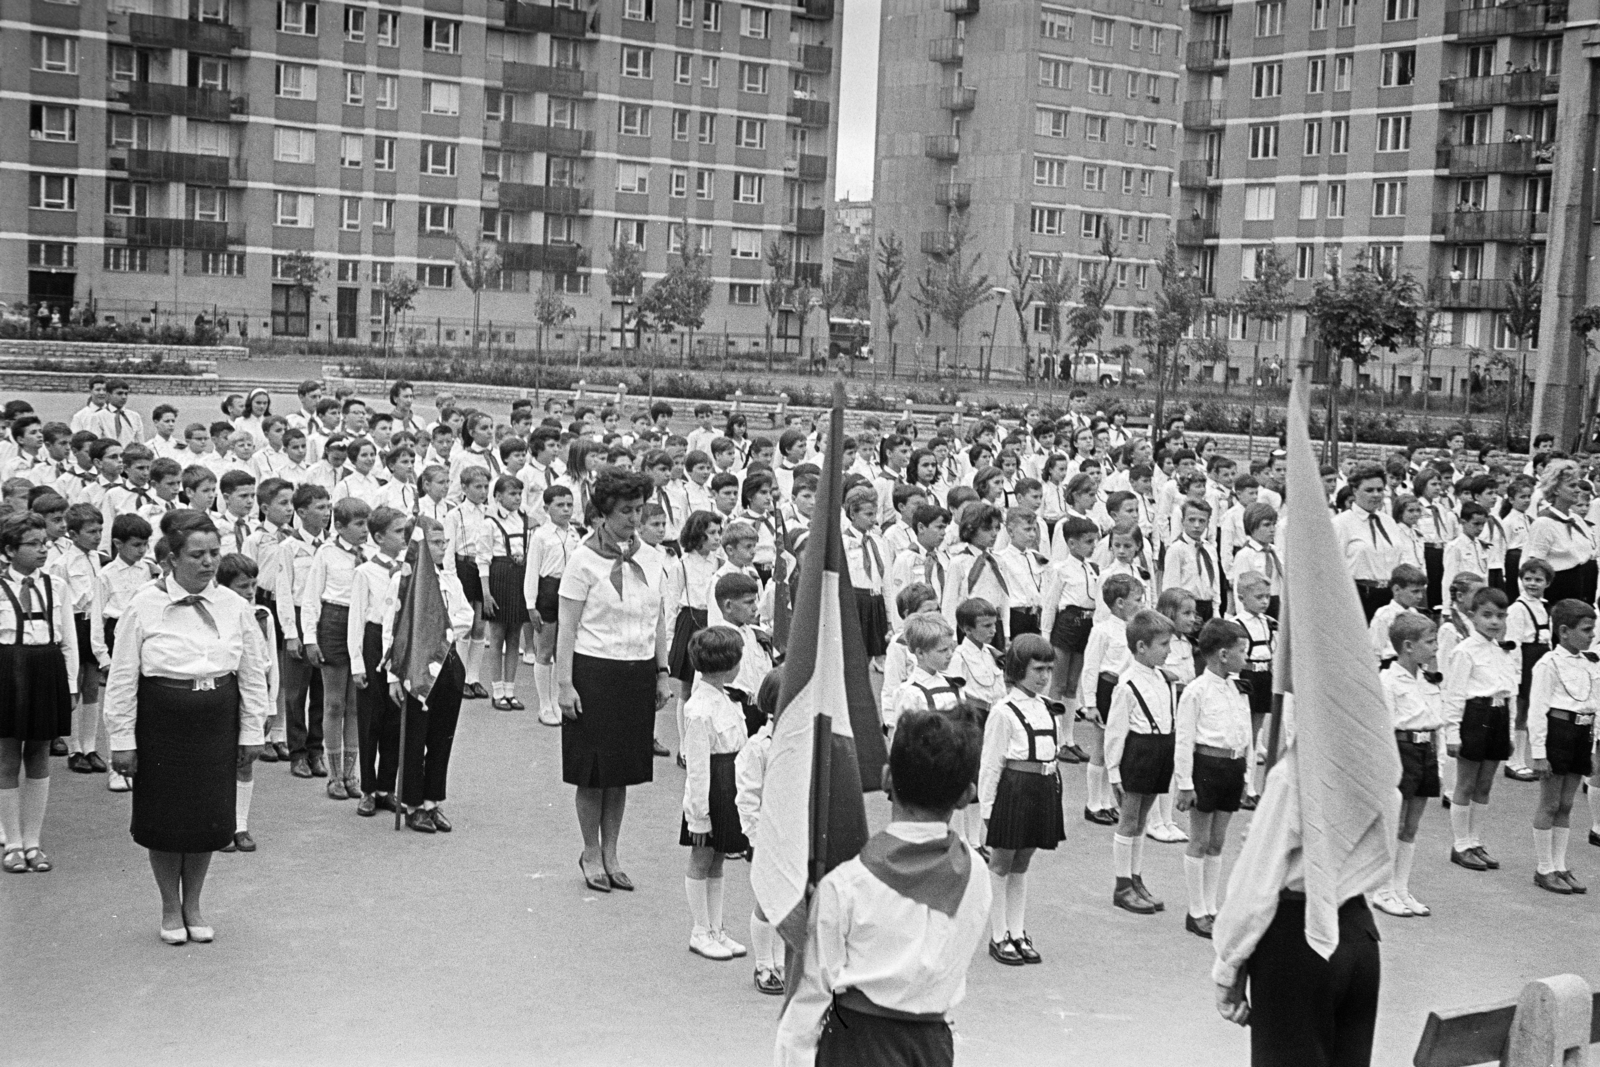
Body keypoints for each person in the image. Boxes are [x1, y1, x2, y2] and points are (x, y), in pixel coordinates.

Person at [775, 708, 990, 1067]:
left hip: (857, 1046)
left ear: (887, 779)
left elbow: (808, 1000)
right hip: (932, 1047)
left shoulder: (845, 886)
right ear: (966, 796)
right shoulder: (978, 875)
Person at [104, 509, 271, 943]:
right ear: (171, 558)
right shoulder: (143, 605)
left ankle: (194, 903)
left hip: (217, 718)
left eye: (215, 553)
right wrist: (122, 739)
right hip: (163, 721)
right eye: (197, 554)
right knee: (165, 817)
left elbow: (253, 673)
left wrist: (253, 731)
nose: (208, 562)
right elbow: (123, 676)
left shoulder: (235, 606)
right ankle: (169, 907)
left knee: (205, 818)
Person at [556, 468, 671, 894]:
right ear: (603, 514)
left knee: (620, 771)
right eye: (626, 511)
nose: (635, 519)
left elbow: (657, 619)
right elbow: (566, 628)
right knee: (593, 772)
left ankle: (613, 852)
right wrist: (564, 686)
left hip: (637, 673)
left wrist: (661, 672)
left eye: (640, 510)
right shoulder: (582, 560)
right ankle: (590, 851)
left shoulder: (653, 558)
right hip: (594, 672)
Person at [380, 516, 472, 833]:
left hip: (448, 664)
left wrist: (439, 634)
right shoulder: (403, 583)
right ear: (417, 546)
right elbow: (392, 632)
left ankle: (433, 801)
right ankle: (413, 804)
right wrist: (393, 677)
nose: (442, 547)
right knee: (414, 738)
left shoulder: (451, 582)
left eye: (444, 541)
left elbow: (465, 618)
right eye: (434, 542)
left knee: (441, 737)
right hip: (417, 668)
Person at [978, 634, 1064, 966]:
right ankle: (999, 935)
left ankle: (1018, 930)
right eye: (1037, 669)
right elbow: (990, 764)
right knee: (1001, 862)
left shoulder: (1047, 708)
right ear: (1018, 669)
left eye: (1049, 669)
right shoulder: (1004, 711)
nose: (1044, 676)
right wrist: (987, 810)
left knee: (1023, 862)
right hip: (1013, 789)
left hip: (1042, 789)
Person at [0, 512, 78, 873]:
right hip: (7, 669)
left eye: (43, 542)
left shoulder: (56, 585)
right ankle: (12, 843)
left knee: (39, 755)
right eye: (32, 544)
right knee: (7, 759)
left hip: (46, 669)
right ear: (9, 549)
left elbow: (68, 639)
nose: (42, 549)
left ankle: (33, 842)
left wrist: (73, 683)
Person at [1175, 618, 1251, 938]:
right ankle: (1196, 911)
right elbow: (1184, 739)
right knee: (1200, 839)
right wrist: (1184, 783)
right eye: (1241, 651)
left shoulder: (1239, 688)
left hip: (1232, 768)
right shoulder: (1196, 691)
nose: (1245, 657)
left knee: (1218, 841)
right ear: (1222, 654)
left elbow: (1244, 733)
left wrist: (1247, 774)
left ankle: (1211, 906)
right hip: (1206, 766)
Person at [679, 626, 749, 961]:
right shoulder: (699, 709)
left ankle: (716, 928)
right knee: (702, 857)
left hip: (730, 787)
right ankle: (699, 930)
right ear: (728, 665)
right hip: (710, 792)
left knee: (719, 858)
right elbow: (697, 768)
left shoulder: (727, 698)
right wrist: (699, 814)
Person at [1105, 608, 1178, 915]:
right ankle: (1122, 885)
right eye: (1163, 644)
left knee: (1144, 819)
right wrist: (1113, 770)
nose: (1169, 650)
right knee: (1129, 818)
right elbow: (1115, 732)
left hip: (1160, 751)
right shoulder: (1127, 685)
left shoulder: (1164, 679)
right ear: (1141, 648)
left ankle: (1136, 877)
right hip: (1137, 753)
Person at [1374, 613, 1445, 919]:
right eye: (1430, 642)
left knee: (1411, 826)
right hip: (1400, 749)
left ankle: (1401, 888)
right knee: (1394, 823)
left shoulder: (1427, 678)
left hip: (1425, 748)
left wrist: (1439, 760)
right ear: (1407, 646)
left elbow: (1437, 723)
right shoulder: (1388, 680)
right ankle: (1383, 889)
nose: (1435, 648)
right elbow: (1383, 726)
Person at [1442, 585, 1517, 872]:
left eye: (1500, 615)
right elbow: (1455, 694)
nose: (1495, 622)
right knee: (1466, 783)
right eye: (1487, 615)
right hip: (1475, 716)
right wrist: (1452, 733)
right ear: (1472, 616)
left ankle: (1475, 841)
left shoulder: (1502, 651)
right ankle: (1460, 844)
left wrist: (1509, 734)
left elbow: (1509, 694)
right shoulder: (1465, 652)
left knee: (1485, 785)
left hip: (1498, 716)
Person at [302, 497, 371, 801]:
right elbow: (311, 598)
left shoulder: (371, 554)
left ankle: (351, 773)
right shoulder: (326, 553)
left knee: (356, 705)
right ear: (339, 526)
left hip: (362, 624)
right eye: (358, 525)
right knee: (334, 704)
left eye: (367, 524)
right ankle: (334, 776)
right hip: (333, 620)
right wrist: (309, 638)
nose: (365, 530)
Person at [1526, 597, 1595, 894]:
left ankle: (1560, 864)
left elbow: (1596, 704)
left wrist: (1592, 749)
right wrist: (1539, 753)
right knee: (1550, 803)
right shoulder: (1548, 663)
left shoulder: (1591, 663)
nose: (1592, 635)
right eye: (1587, 629)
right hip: (1558, 731)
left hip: (1582, 732)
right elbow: (1536, 710)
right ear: (1564, 631)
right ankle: (1544, 868)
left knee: (1566, 804)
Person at [215, 553, 279, 853]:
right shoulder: (215, 613)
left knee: (245, 760)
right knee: (219, 761)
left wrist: (270, 706)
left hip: (253, 697)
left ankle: (240, 824)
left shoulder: (263, 615)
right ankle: (220, 824)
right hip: (225, 695)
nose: (251, 591)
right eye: (243, 586)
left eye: (253, 585)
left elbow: (271, 666)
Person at [348, 507, 408, 814]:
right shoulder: (365, 572)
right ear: (379, 537)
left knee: (394, 720)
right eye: (398, 532)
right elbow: (356, 621)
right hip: (373, 643)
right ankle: (368, 788)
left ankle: (386, 786)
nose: (403, 537)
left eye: (405, 530)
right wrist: (357, 664)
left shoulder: (408, 570)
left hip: (398, 642)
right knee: (371, 719)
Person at [1079, 573, 1144, 825]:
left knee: (1114, 748)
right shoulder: (1102, 630)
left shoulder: (1134, 628)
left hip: (1125, 692)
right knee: (1100, 748)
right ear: (1119, 603)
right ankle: (1093, 803)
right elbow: (1090, 667)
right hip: (1107, 688)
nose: (1141, 604)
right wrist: (1091, 704)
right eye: (1136, 599)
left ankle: (1106, 801)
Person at [1040, 515, 1098, 762]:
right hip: (1066, 625)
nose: (1093, 546)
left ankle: (1069, 739)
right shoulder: (1060, 570)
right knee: (1058, 684)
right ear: (1072, 544)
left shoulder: (1092, 569)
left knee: (1074, 685)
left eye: (1095, 541)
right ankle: (1054, 740)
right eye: (1087, 542)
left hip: (1086, 625)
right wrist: (1045, 635)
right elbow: (1050, 604)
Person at [524, 484, 581, 726]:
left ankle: (559, 701)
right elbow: (532, 571)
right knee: (545, 651)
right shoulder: (540, 536)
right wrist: (531, 604)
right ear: (547, 508)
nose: (566, 510)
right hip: (547, 592)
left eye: (569, 504)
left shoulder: (576, 534)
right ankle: (544, 704)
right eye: (560, 505)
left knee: (564, 650)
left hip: (570, 592)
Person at [478, 475, 530, 711]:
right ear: (497, 496)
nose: (517, 498)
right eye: (511, 494)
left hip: (520, 578)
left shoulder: (526, 521)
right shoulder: (489, 523)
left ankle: (510, 690)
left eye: (519, 493)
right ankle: (497, 690)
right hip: (499, 576)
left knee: (514, 636)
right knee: (497, 636)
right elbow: (483, 560)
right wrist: (486, 593)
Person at [1332, 465, 1404, 621]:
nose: (1376, 495)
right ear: (1354, 490)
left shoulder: (1388, 522)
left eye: (1380, 489)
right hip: (1360, 597)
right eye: (1369, 490)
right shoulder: (1341, 524)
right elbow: (1332, 568)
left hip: (1391, 596)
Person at [1505, 557, 1553, 782]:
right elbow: (1513, 642)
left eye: (1538, 579)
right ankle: (1514, 761)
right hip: (1525, 660)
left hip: (1540, 658)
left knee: (1536, 709)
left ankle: (1529, 758)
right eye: (1528, 579)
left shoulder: (1543, 606)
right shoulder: (1518, 608)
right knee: (1521, 712)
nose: (1532, 583)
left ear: (1547, 583)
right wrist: (1516, 674)